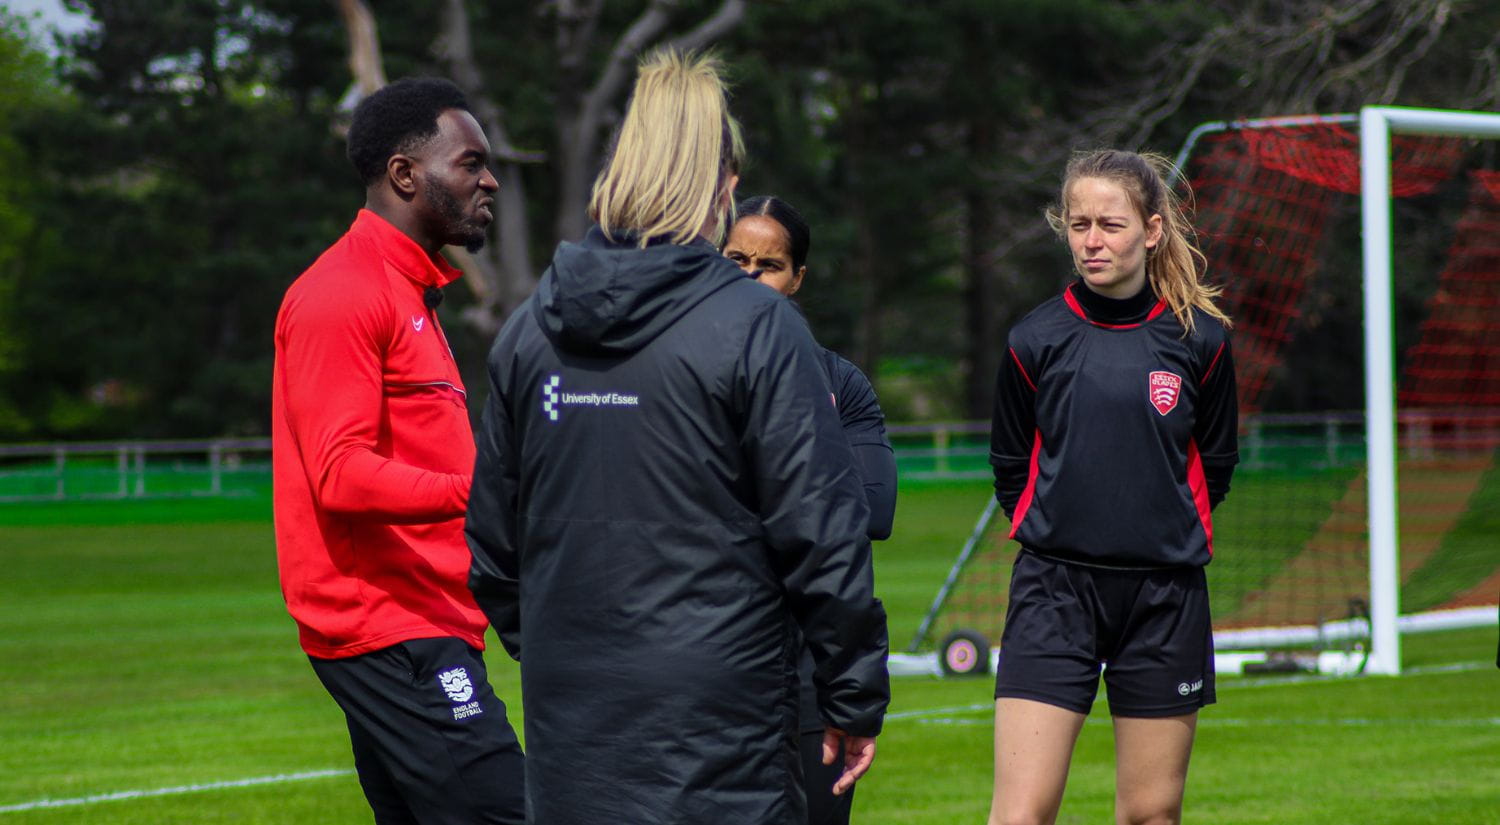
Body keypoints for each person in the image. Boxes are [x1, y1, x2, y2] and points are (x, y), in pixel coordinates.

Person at [465, 50, 890, 825]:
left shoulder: (529, 330)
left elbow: (492, 545)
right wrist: (854, 692)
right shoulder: (759, 328)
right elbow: (824, 538)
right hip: (719, 727)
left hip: (577, 720)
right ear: (723, 186)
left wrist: (573, 653)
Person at [271, 77, 524, 825]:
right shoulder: (345, 292)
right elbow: (340, 475)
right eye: (471, 162)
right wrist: (489, 490)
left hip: (428, 621)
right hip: (390, 629)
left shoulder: (409, 293)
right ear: (405, 174)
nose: (491, 179)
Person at [986, 149, 1238, 825]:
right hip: (1054, 593)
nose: (1091, 240)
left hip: (1165, 597)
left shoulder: (1202, 342)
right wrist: (1057, 526)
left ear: (1151, 230)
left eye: (1110, 224)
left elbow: (1215, 464)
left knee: (1151, 813)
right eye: (1078, 223)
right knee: (1020, 813)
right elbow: (1011, 463)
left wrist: (1158, 527)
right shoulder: (1033, 339)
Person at [724, 194, 896, 824]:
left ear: (796, 278)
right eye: (735, 258)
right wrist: (805, 490)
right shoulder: (680, 370)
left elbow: (874, 511)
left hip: (809, 661)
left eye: (768, 265)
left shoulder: (839, 381)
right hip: (712, 654)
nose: (749, 276)